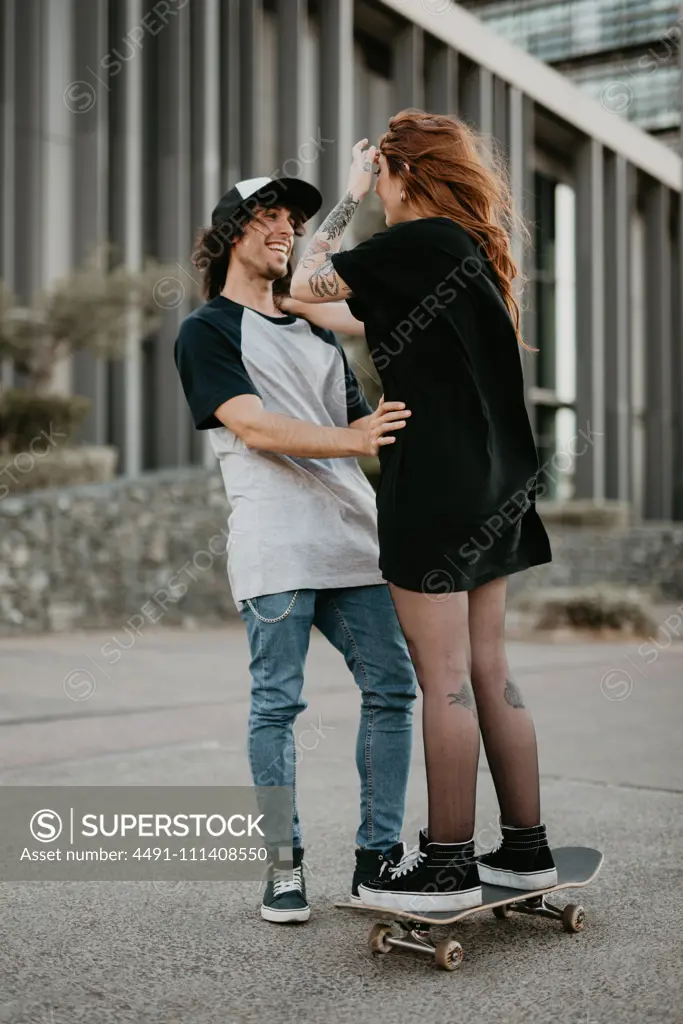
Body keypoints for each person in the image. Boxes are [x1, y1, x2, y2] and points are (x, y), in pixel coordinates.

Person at [290, 112, 557, 914]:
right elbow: (331, 311)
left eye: (381, 174)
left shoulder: (410, 245)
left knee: (440, 678)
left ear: (397, 174)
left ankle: (445, 865)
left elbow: (305, 284)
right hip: (494, 486)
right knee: (487, 670)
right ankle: (524, 850)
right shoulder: (459, 253)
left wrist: (342, 202)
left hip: (434, 484)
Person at [173, 174, 417, 923]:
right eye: (267, 217)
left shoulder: (312, 330)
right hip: (275, 546)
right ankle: (283, 867)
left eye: (291, 220)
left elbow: (356, 424)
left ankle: (378, 860)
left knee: (394, 690)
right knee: (276, 705)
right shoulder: (206, 331)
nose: (283, 229)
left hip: (353, 545)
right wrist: (352, 436)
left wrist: (348, 197)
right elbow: (255, 426)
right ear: (229, 235)